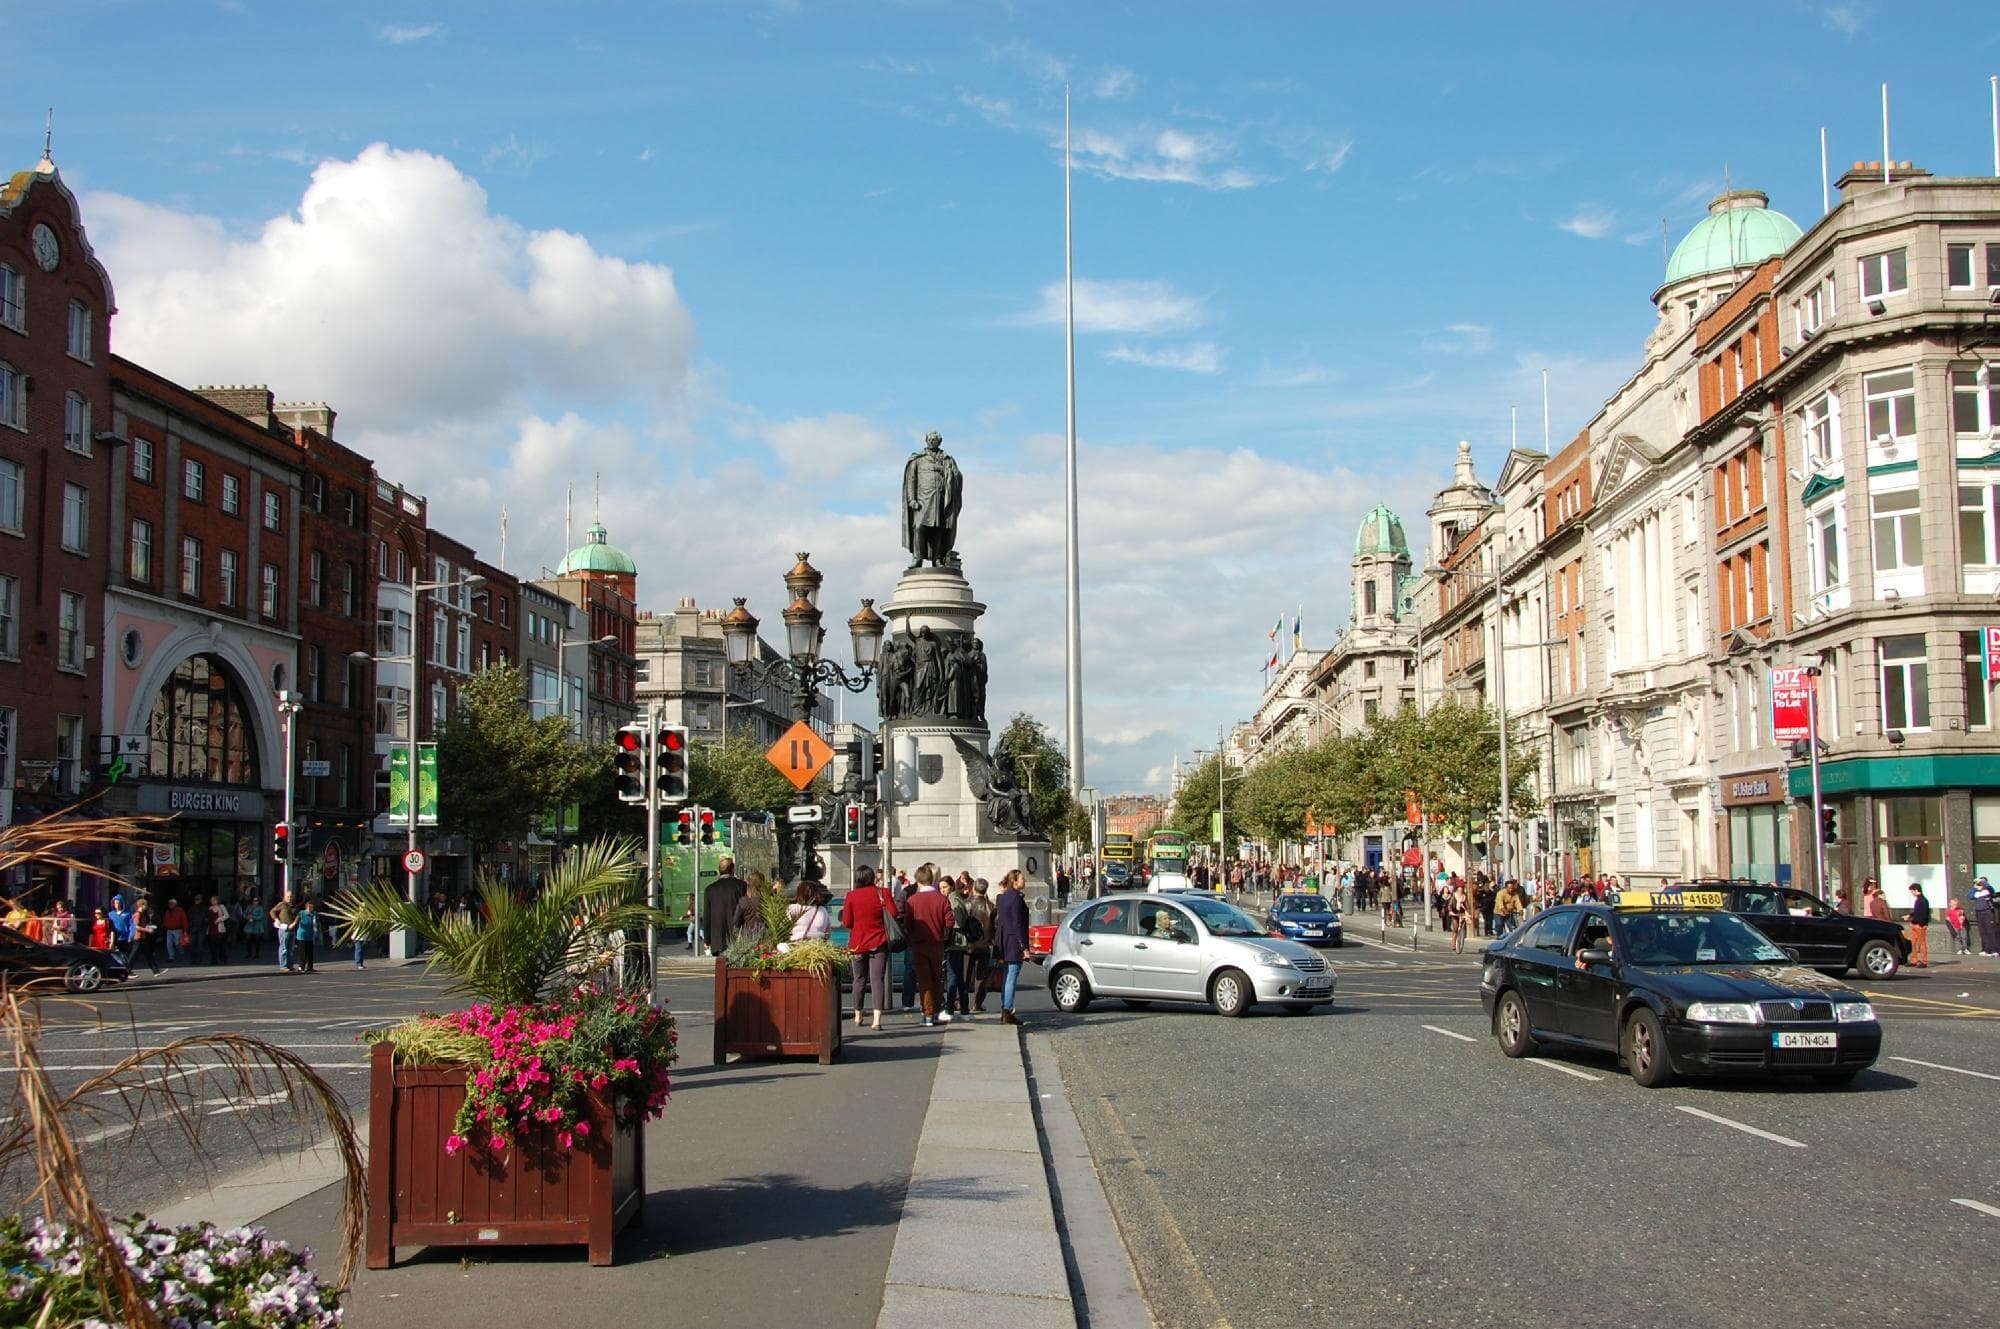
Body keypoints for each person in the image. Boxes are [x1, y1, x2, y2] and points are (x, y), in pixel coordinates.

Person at [839, 865, 894, 1030]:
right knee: (877, 980)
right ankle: (877, 1020)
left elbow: (847, 922)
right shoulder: (883, 893)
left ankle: (858, 1014)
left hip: (858, 943)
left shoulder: (851, 896)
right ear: (872, 878)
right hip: (879, 941)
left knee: (858, 979)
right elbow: (894, 913)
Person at [904, 865, 953, 1026]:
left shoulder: (912, 900)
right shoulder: (942, 899)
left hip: (919, 944)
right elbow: (949, 921)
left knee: (924, 980)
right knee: (937, 978)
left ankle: (928, 1014)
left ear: (918, 881)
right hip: (937, 943)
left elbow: (907, 924)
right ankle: (936, 1011)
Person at [994, 869, 1030, 1025]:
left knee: (1007, 975)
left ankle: (1005, 1007)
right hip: (1014, 941)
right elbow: (1017, 923)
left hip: (1004, 940)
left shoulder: (1003, 897)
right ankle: (1008, 1010)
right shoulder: (1016, 898)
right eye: (1022, 878)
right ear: (1014, 881)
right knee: (1011, 976)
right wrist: (1024, 947)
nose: (1024, 880)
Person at [944, 877, 980, 1018]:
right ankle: (964, 1008)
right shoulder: (956, 897)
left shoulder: (953, 899)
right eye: (940, 888)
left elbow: (957, 921)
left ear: (951, 886)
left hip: (955, 942)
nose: (942, 890)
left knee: (952, 976)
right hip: (959, 942)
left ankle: (950, 1009)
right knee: (959, 977)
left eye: (945, 887)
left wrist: (948, 927)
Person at [704, 857, 747, 957]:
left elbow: (707, 916)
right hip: (737, 936)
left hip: (717, 939)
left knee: (721, 964)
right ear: (732, 869)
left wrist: (707, 940)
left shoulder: (710, 889)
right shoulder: (741, 886)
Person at [969, 878, 999, 1012]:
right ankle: (977, 1003)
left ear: (973, 888)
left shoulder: (966, 904)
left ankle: (959, 1001)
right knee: (981, 976)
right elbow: (995, 926)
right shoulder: (991, 907)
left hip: (968, 944)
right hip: (985, 944)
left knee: (965, 974)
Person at [733, 871, 770, 943]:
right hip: (764, 936)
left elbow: (735, 921)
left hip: (748, 937)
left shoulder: (743, 901)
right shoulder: (766, 900)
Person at [129, 900, 164, 975]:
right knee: (133, 955)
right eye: (146, 905)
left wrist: (148, 927)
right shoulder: (138, 914)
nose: (147, 907)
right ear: (142, 905)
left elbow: (142, 925)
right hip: (138, 937)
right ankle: (127, 971)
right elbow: (136, 926)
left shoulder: (142, 914)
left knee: (148, 954)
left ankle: (156, 971)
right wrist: (147, 930)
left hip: (143, 937)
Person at [1971, 877, 2000, 956]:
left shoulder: (1988, 890)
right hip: (1979, 913)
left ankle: (1995, 950)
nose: (1979, 884)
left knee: (1991, 931)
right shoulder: (1976, 892)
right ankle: (1986, 949)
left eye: (1981, 882)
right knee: (1983, 931)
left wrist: (1983, 882)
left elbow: (1990, 888)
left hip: (1988, 912)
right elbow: (1970, 896)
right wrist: (1974, 888)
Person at [1906, 884, 1932, 968]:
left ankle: (1924, 961)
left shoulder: (1923, 900)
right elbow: (1917, 911)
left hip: (1920, 925)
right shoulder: (1918, 900)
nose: (1912, 893)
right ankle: (1914, 960)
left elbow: (1924, 914)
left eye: (1912, 891)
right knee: (1913, 943)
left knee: (1921, 943)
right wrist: (1910, 915)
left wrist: (1922, 924)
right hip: (1914, 924)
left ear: (1916, 890)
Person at [294, 898, 319, 973]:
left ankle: (310, 967)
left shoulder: (314, 914)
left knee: (310, 952)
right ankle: (301, 967)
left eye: (312, 907)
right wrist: (293, 924)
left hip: (310, 935)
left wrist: (316, 925)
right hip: (302, 935)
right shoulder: (302, 913)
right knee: (303, 952)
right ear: (306, 906)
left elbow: (316, 923)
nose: (310, 909)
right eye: (309, 907)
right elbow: (297, 920)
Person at [272, 897, 296, 972]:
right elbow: (272, 911)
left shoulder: (294, 906)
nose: (290, 898)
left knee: (291, 949)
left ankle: (290, 965)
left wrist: (294, 923)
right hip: (284, 928)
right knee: (284, 948)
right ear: (285, 897)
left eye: (291, 897)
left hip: (292, 928)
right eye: (288, 897)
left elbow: (297, 916)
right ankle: (283, 966)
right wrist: (276, 919)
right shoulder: (282, 904)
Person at [162, 897, 188, 963]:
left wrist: (185, 930)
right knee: (169, 943)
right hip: (169, 930)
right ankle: (171, 957)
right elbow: (165, 920)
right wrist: (165, 925)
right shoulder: (167, 911)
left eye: (171, 903)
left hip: (177, 930)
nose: (170, 904)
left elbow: (184, 920)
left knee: (177, 943)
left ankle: (181, 955)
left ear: (175, 904)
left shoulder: (180, 910)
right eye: (169, 903)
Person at [243, 896, 268, 961]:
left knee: (257, 941)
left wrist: (253, 917)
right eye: (254, 900)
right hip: (249, 926)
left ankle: (257, 954)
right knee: (248, 939)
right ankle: (249, 953)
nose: (255, 902)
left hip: (257, 926)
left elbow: (261, 916)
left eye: (256, 901)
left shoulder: (260, 908)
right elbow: (244, 914)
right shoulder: (249, 907)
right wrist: (247, 917)